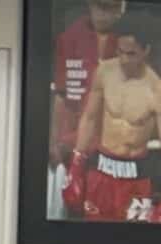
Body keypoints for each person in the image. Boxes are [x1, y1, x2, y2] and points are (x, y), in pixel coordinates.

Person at [65, 14, 161, 222]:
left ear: (146, 51)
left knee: (136, 241)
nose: (124, 59)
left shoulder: (156, 89)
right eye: (120, 51)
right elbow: (90, 117)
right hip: (102, 169)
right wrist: (76, 163)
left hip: (137, 176)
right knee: (93, 234)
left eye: (132, 54)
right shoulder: (105, 72)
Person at [53, 0, 129, 216]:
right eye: (100, 6)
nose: (105, 14)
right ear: (90, 5)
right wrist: (54, 140)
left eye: (113, 8)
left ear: (122, 9)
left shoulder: (132, 41)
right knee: (72, 204)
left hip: (115, 144)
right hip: (74, 140)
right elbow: (60, 94)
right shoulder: (68, 38)